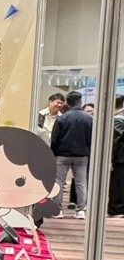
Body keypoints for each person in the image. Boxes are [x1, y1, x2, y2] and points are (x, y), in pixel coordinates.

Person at [50, 90, 92, 219]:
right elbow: (91, 138)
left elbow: (54, 138)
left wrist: (54, 152)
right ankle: (80, 210)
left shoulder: (62, 118)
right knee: (81, 183)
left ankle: (58, 210)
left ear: (67, 103)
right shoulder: (89, 119)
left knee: (59, 182)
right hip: (82, 155)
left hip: (62, 155)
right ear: (80, 102)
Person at [109, 96, 124, 218]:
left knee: (117, 184)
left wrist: (110, 159)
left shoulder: (117, 120)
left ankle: (116, 209)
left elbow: (115, 140)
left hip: (120, 157)